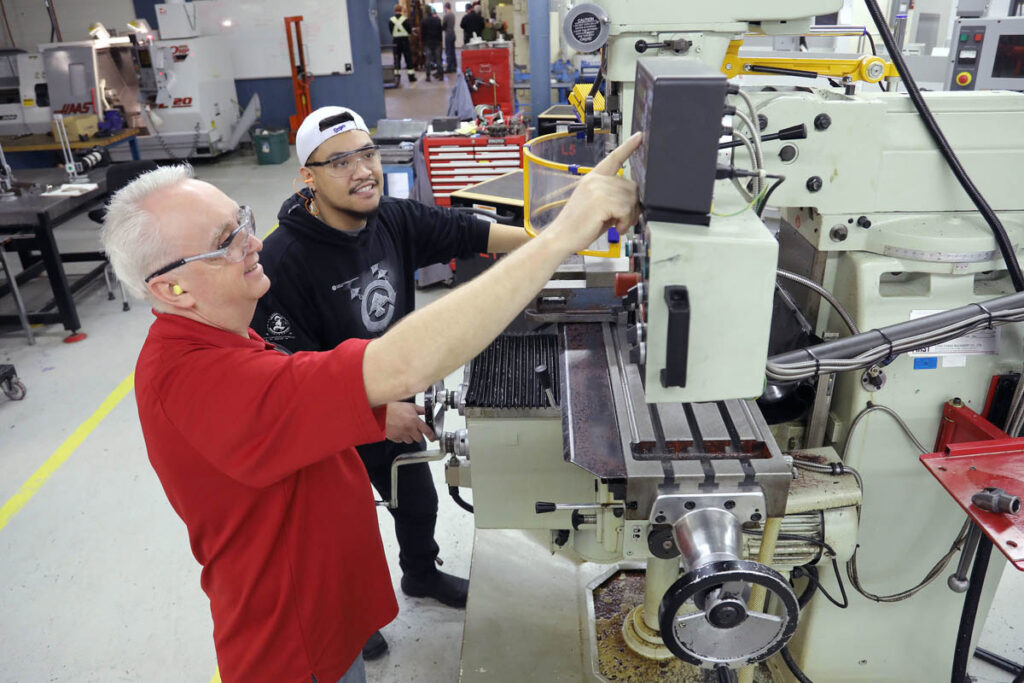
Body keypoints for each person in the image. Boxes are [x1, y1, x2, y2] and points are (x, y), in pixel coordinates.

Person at [100, 131, 641, 682]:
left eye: (243, 220)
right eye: (226, 239)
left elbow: (284, 417)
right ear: (173, 291)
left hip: (327, 611)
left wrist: (372, 414)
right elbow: (400, 366)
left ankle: (417, 574)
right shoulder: (202, 380)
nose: (252, 241)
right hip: (297, 648)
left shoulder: (222, 334)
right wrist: (561, 237)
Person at [250, 105, 532, 661]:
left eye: (369, 154)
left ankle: (421, 575)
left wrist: (553, 241)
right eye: (340, 161)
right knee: (338, 528)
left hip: (389, 403)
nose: (363, 171)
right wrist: (376, 415)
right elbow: (294, 379)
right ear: (307, 177)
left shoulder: (391, 220)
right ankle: (350, 614)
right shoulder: (281, 261)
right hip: (325, 426)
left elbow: (466, 231)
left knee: (418, 500)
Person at [390, 3, 416, 84]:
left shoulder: (391, 20)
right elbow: (409, 31)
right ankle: (411, 77)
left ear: (394, 11)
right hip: (404, 41)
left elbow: (391, 31)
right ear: (401, 10)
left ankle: (397, 77)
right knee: (408, 59)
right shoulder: (405, 20)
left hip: (395, 42)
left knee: (397, 59)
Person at [420, 6, 444, 81]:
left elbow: (422, 33)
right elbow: (440, 31)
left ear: (425, 12)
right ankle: (441, 75)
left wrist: (423, 42)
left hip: (428, 43)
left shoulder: (423, 21)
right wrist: (440, 41)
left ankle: (428, 76)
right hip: (436, 42)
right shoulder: (437, 20)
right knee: (438, 59)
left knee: (428, 60)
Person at [442, 2, 457, 73]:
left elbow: (443, 26)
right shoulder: (453, 15)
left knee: (448, 51)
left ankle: (449, 68)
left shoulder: (446, 16)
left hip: (448, 34)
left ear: (446, 7)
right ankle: (454, 66)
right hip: (453, 34)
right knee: (453, 51)